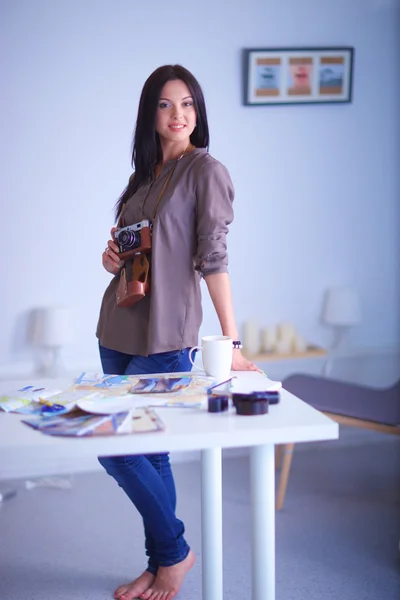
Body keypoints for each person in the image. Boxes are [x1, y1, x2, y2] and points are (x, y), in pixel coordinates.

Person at [96, 64, 259, 600]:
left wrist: (230, 342)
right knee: (151, 451)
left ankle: (174, 554)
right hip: (118, 326)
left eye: (187, 103)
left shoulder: (205, 171)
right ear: (151, 113)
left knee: (116, 447)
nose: (178, 115)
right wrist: (111, 256)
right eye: (166, 104)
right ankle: (158, 561)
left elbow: (213, 258)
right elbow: (134, 255)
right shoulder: (143, 176)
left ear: (198, 111)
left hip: (167, 333)